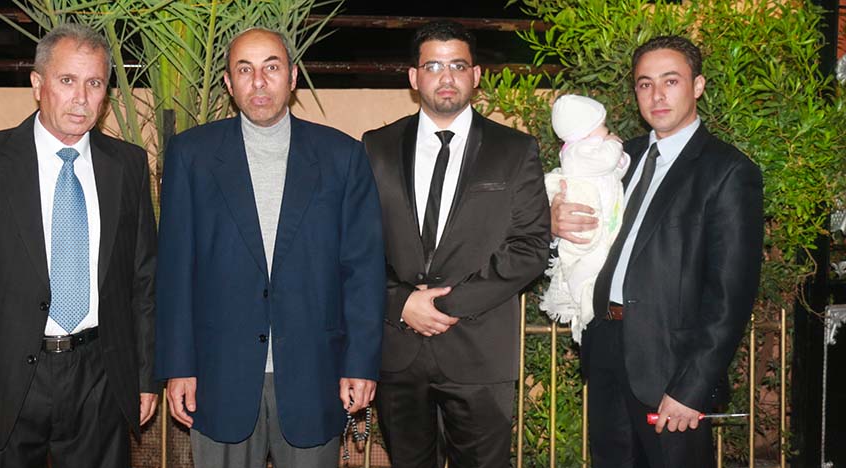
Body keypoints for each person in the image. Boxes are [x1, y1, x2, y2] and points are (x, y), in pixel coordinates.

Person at [0, 23, 157, 467]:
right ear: (37, 84)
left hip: (101, 379)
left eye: (94, 83)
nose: (81, 97)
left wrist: (145, 377)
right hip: (2, 383)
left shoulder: (128, 165)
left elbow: (143, 280)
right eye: (67, 80)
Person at [154, 27, 385, 468]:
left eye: (271, 67)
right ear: (228, 83)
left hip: (314, 373)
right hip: (218, 376)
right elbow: (175, 270)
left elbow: (363, 270)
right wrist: (178, 365)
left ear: (293, 77)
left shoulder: (342, 156)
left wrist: (360, 363)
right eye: (245, 70)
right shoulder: (191, 155)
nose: (258, 82)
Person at [551, 35, 763, 467]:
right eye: (645, 84)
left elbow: (731, 296)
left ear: (698, 85)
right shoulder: (617, 157)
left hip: (671, 367)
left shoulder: (728, 171)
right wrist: (555, 224)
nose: (657, 95)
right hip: (605, 347)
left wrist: (691, 387)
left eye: (671, 80)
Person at [362, 20, 550, 468]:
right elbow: (356, 246)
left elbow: (530, 247)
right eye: (433, 66)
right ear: (414, 77)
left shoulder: (515, 150)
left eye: (458, 66)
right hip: (398, 352)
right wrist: (402, 302)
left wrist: (445, 305)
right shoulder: (375, 147)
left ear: (476, 74)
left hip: (479, 353)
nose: (446, 77)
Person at [541, 94, 629, 343]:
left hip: (604, 223)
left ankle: (588, 302)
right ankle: (585, 303)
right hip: (586, 231)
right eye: (602, 125)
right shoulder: (577, 153)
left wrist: (617, 153)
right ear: (585, 130)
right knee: (587, 263)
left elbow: (618, 168)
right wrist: (613, 144)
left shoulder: (590, 151)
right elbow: (608, 159)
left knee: (597, 263)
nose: (607, 130)